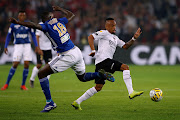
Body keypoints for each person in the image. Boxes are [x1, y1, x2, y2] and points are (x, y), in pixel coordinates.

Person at [9, 6, 114, 112]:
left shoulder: (46, 26)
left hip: (67, 55)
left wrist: (18, 22)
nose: (54, 16)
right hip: (76, 51)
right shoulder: (59, 21)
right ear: (49, 17)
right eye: (52, 16)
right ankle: (100, 74)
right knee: (82, 77)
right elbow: (71, 15)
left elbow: (33, 25)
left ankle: (50, 103)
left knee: (41, 74)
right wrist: (60, 9)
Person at [71, 18, 144, 110]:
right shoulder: (104, 33)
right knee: (125, 67)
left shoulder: (115, 38)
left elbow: (125, 46)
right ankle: (131, 92)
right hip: (103, 61)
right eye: (112, 25)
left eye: (115, 25)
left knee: (98, 87)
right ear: (107, 26)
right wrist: (93, 50)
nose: (114, 27)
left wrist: (134, 38)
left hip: (101, 64)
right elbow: (91, 37)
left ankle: (77, 102)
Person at [1, 10, 40, 91]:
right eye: (20, 15)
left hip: (27, 45)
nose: (22, 17)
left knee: (26, 64)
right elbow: (9, 36)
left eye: (23, 15)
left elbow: (33, 35)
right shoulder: (13, 25)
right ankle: (6, 83)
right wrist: (6, 46)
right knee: (15, 64)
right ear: (18, 16)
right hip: (18, 45)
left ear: (25, 16)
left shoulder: (28, 24)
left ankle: (23, 85)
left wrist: (36, 45)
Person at [29, 22, 52, 88]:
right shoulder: (40, 25)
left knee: (49, 66)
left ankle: (46, 82)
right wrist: (38, 48)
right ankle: (32, 79)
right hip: (41, 48)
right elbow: (37, 36)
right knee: (39, 65)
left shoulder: (51, 24)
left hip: (48, 48)